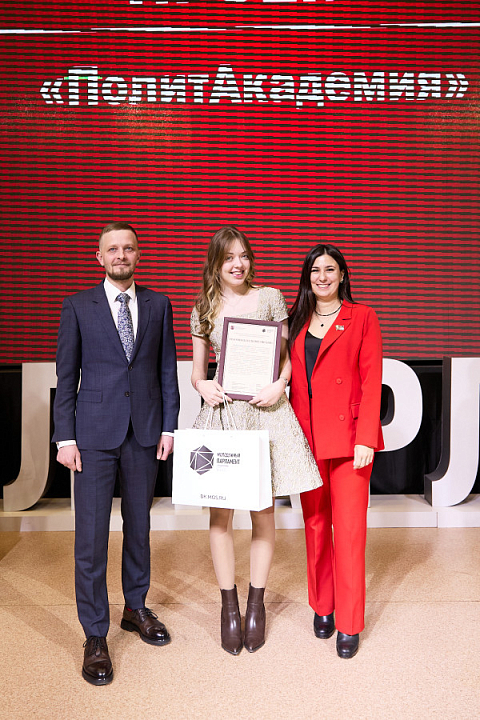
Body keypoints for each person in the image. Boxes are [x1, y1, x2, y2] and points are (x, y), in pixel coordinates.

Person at [53, 221, 180, 685]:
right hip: (92, 435)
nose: (121, 255)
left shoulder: (159, 304)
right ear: (100, 257)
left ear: (137, 255)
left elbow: (167, 370)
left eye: (128, 248)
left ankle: (135, 607)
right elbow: (66, 376)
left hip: (144, 433)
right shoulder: (77, 306)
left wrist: (168, 426)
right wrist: (65, 438)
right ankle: (95, 633)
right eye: (113, 249)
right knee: (90, 538)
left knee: (139, 528)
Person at [190, 225, 321, 656]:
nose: (238, 264)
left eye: (244, 255)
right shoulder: (204, 306)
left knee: (263, 512)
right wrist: (203, 386)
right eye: (229, 257)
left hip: (264, 411)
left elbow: (286, 358)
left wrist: (281, 384)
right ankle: (228, 605)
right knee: (221, 515)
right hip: (225, 414)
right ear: (216, 264)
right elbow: (197, 373)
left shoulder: (269, 297)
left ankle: (255, 604)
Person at [288, 243, 383, 659]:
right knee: (314, 526)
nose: (322, 277)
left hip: (349, 441)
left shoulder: (362, 316)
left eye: (330, 269)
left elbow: (372, 378)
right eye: (315, 271)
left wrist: (366, 437)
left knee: (348, 532)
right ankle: (322, 606)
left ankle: (348, 622)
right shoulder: (296, 318)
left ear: (342, 275)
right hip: (306, 438)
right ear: (307, 278)